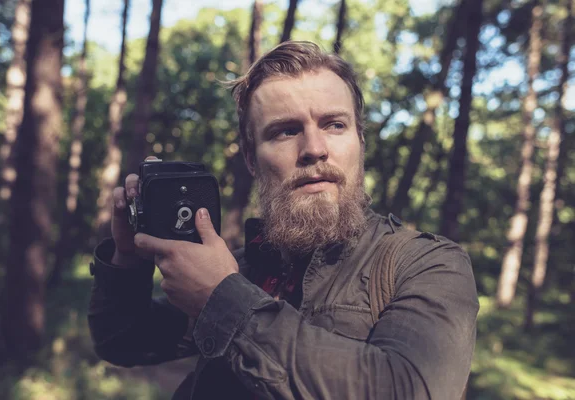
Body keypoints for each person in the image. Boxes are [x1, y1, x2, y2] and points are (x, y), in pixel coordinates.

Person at [88, 41, 479, 399]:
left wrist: (223, 301)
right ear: (250, 158)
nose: (313, 149)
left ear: (361, 141)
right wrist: (128, 259)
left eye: (334, 125)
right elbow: (123, 341)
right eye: (285, 131)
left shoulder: (427, 264)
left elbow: (407, 390)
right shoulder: (243, 268)